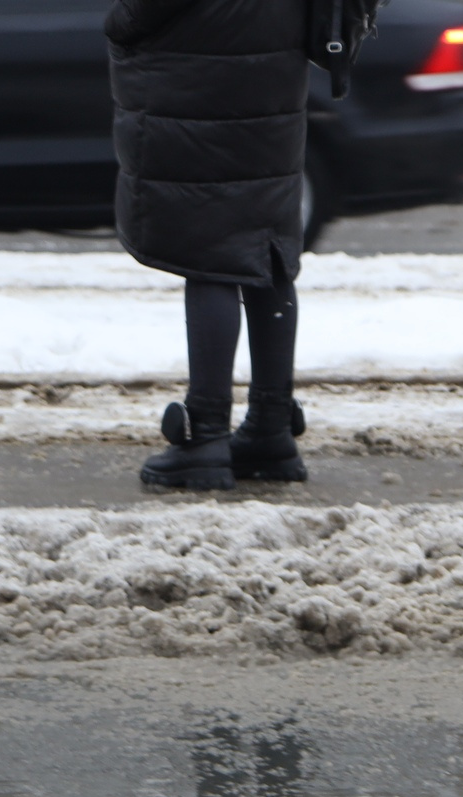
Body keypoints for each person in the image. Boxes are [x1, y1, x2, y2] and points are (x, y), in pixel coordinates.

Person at [108, 0, 313, 489]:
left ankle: (204, 434)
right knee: (266, 245)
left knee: (210, 251)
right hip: (276, 67)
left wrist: (122, 23)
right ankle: (271, 426)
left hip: (200, 75)